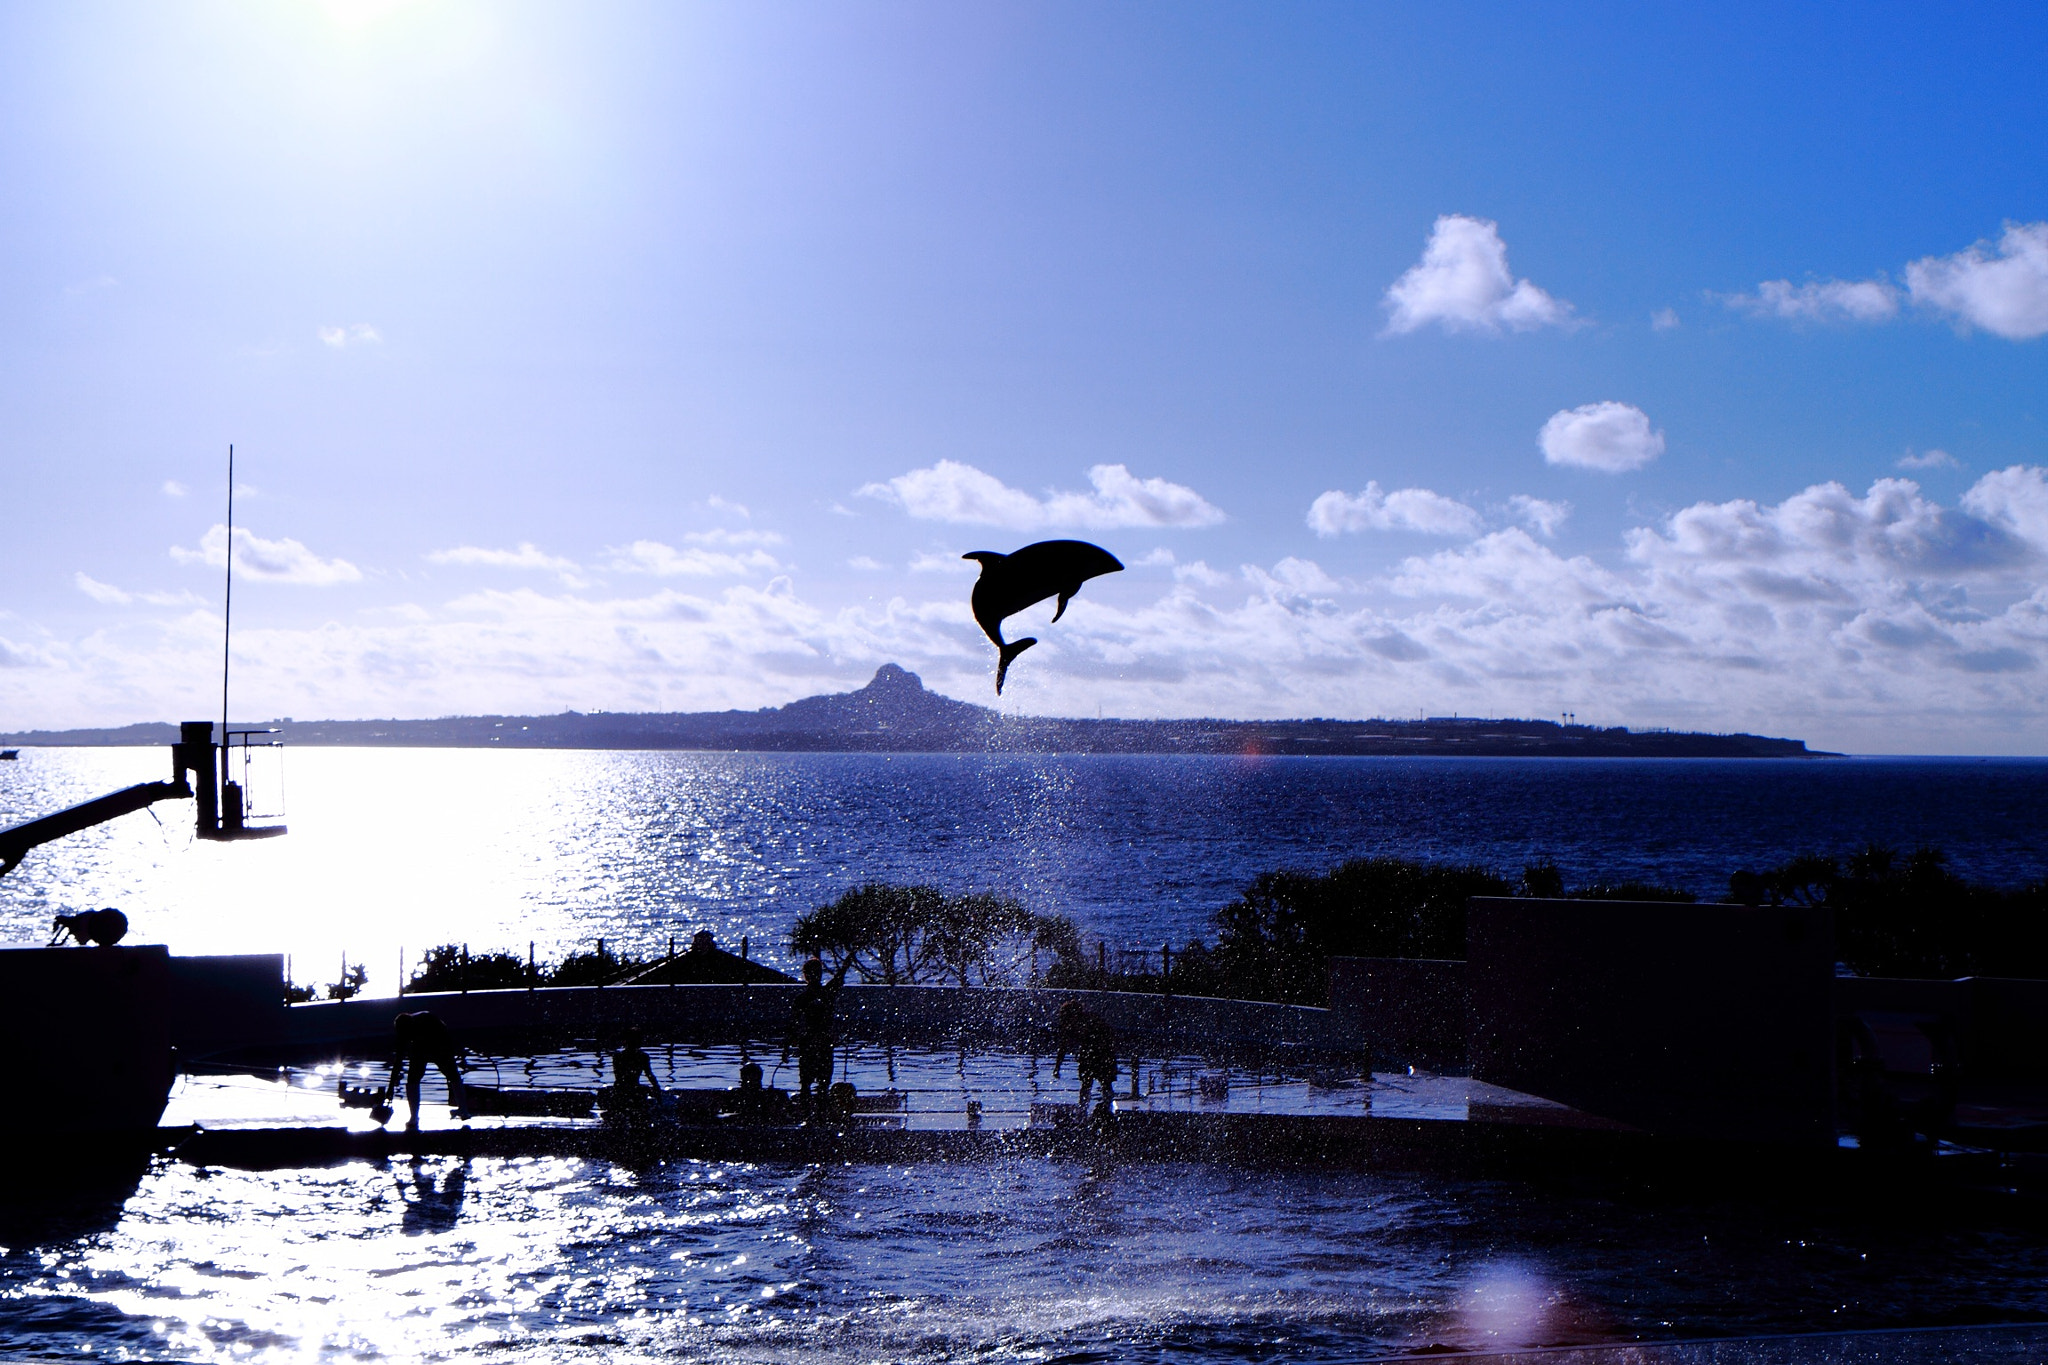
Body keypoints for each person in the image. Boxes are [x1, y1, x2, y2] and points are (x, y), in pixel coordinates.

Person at [784, 953, 853, 1108]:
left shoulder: (812, 996)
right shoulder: (823, 994)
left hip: (815, 1044)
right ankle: (816, 1114)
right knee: (816, 1085)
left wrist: (787, 1047)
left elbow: (792, 1026)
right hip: (816, 1044)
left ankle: (813, 1114)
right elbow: (793, 1025)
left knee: (811, 1085)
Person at [385, 1010, 465, 1129]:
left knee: (452, 1074)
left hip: (439, 1044)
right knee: (412, 1080)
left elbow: (446, 1037)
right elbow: (398, 1061)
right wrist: (391, 1087)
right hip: (420, 1048)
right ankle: (414, 1117)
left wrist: (452, 1050)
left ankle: (463, 1109)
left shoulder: (428, 1020)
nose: (406, 1036)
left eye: (408, 1033)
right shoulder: (404, 1033)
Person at [1052, 999, 1120, 1113]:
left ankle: (1106, 1110)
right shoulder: (1075, 1024)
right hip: (1091, 1055)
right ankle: (1084, 1109)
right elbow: (1063, 1047)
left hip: (1102, 1054)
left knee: (1102, 1084)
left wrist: (1057, 1067)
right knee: (1088, 1084)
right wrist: (1057, 1067)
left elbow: (1109, 1036)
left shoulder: (1091, 1021)